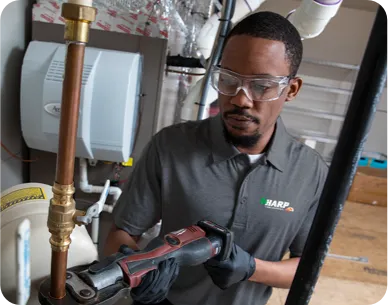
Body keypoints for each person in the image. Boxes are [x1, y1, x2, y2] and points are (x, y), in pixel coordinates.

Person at [104, 11, 328, 305]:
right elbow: (121, 233)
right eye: (228, 80)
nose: (240, 99)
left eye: (261, 86)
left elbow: (306, 269)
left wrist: (251, 268)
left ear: (291, 90)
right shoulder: (171, 146)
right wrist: (135, 272)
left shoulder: (310, 173)